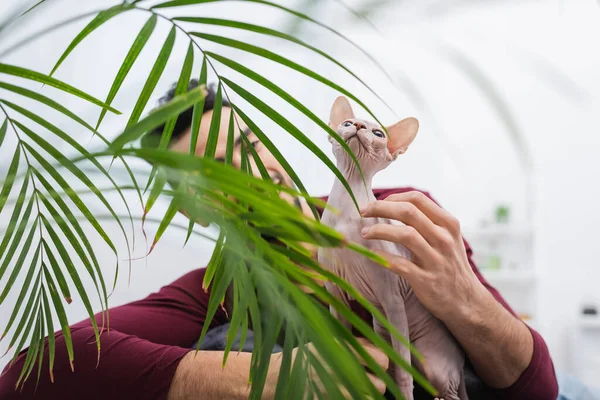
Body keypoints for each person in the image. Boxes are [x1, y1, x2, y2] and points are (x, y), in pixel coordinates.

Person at [0, 81, 559, 400]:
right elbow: (29, 371)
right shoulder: (215, 293)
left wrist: (465, 296)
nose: (249, 171)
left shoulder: (399, 213)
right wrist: (273, 379)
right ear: (192, 207)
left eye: (246, 143)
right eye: (214, 172)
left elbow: (538, 390)